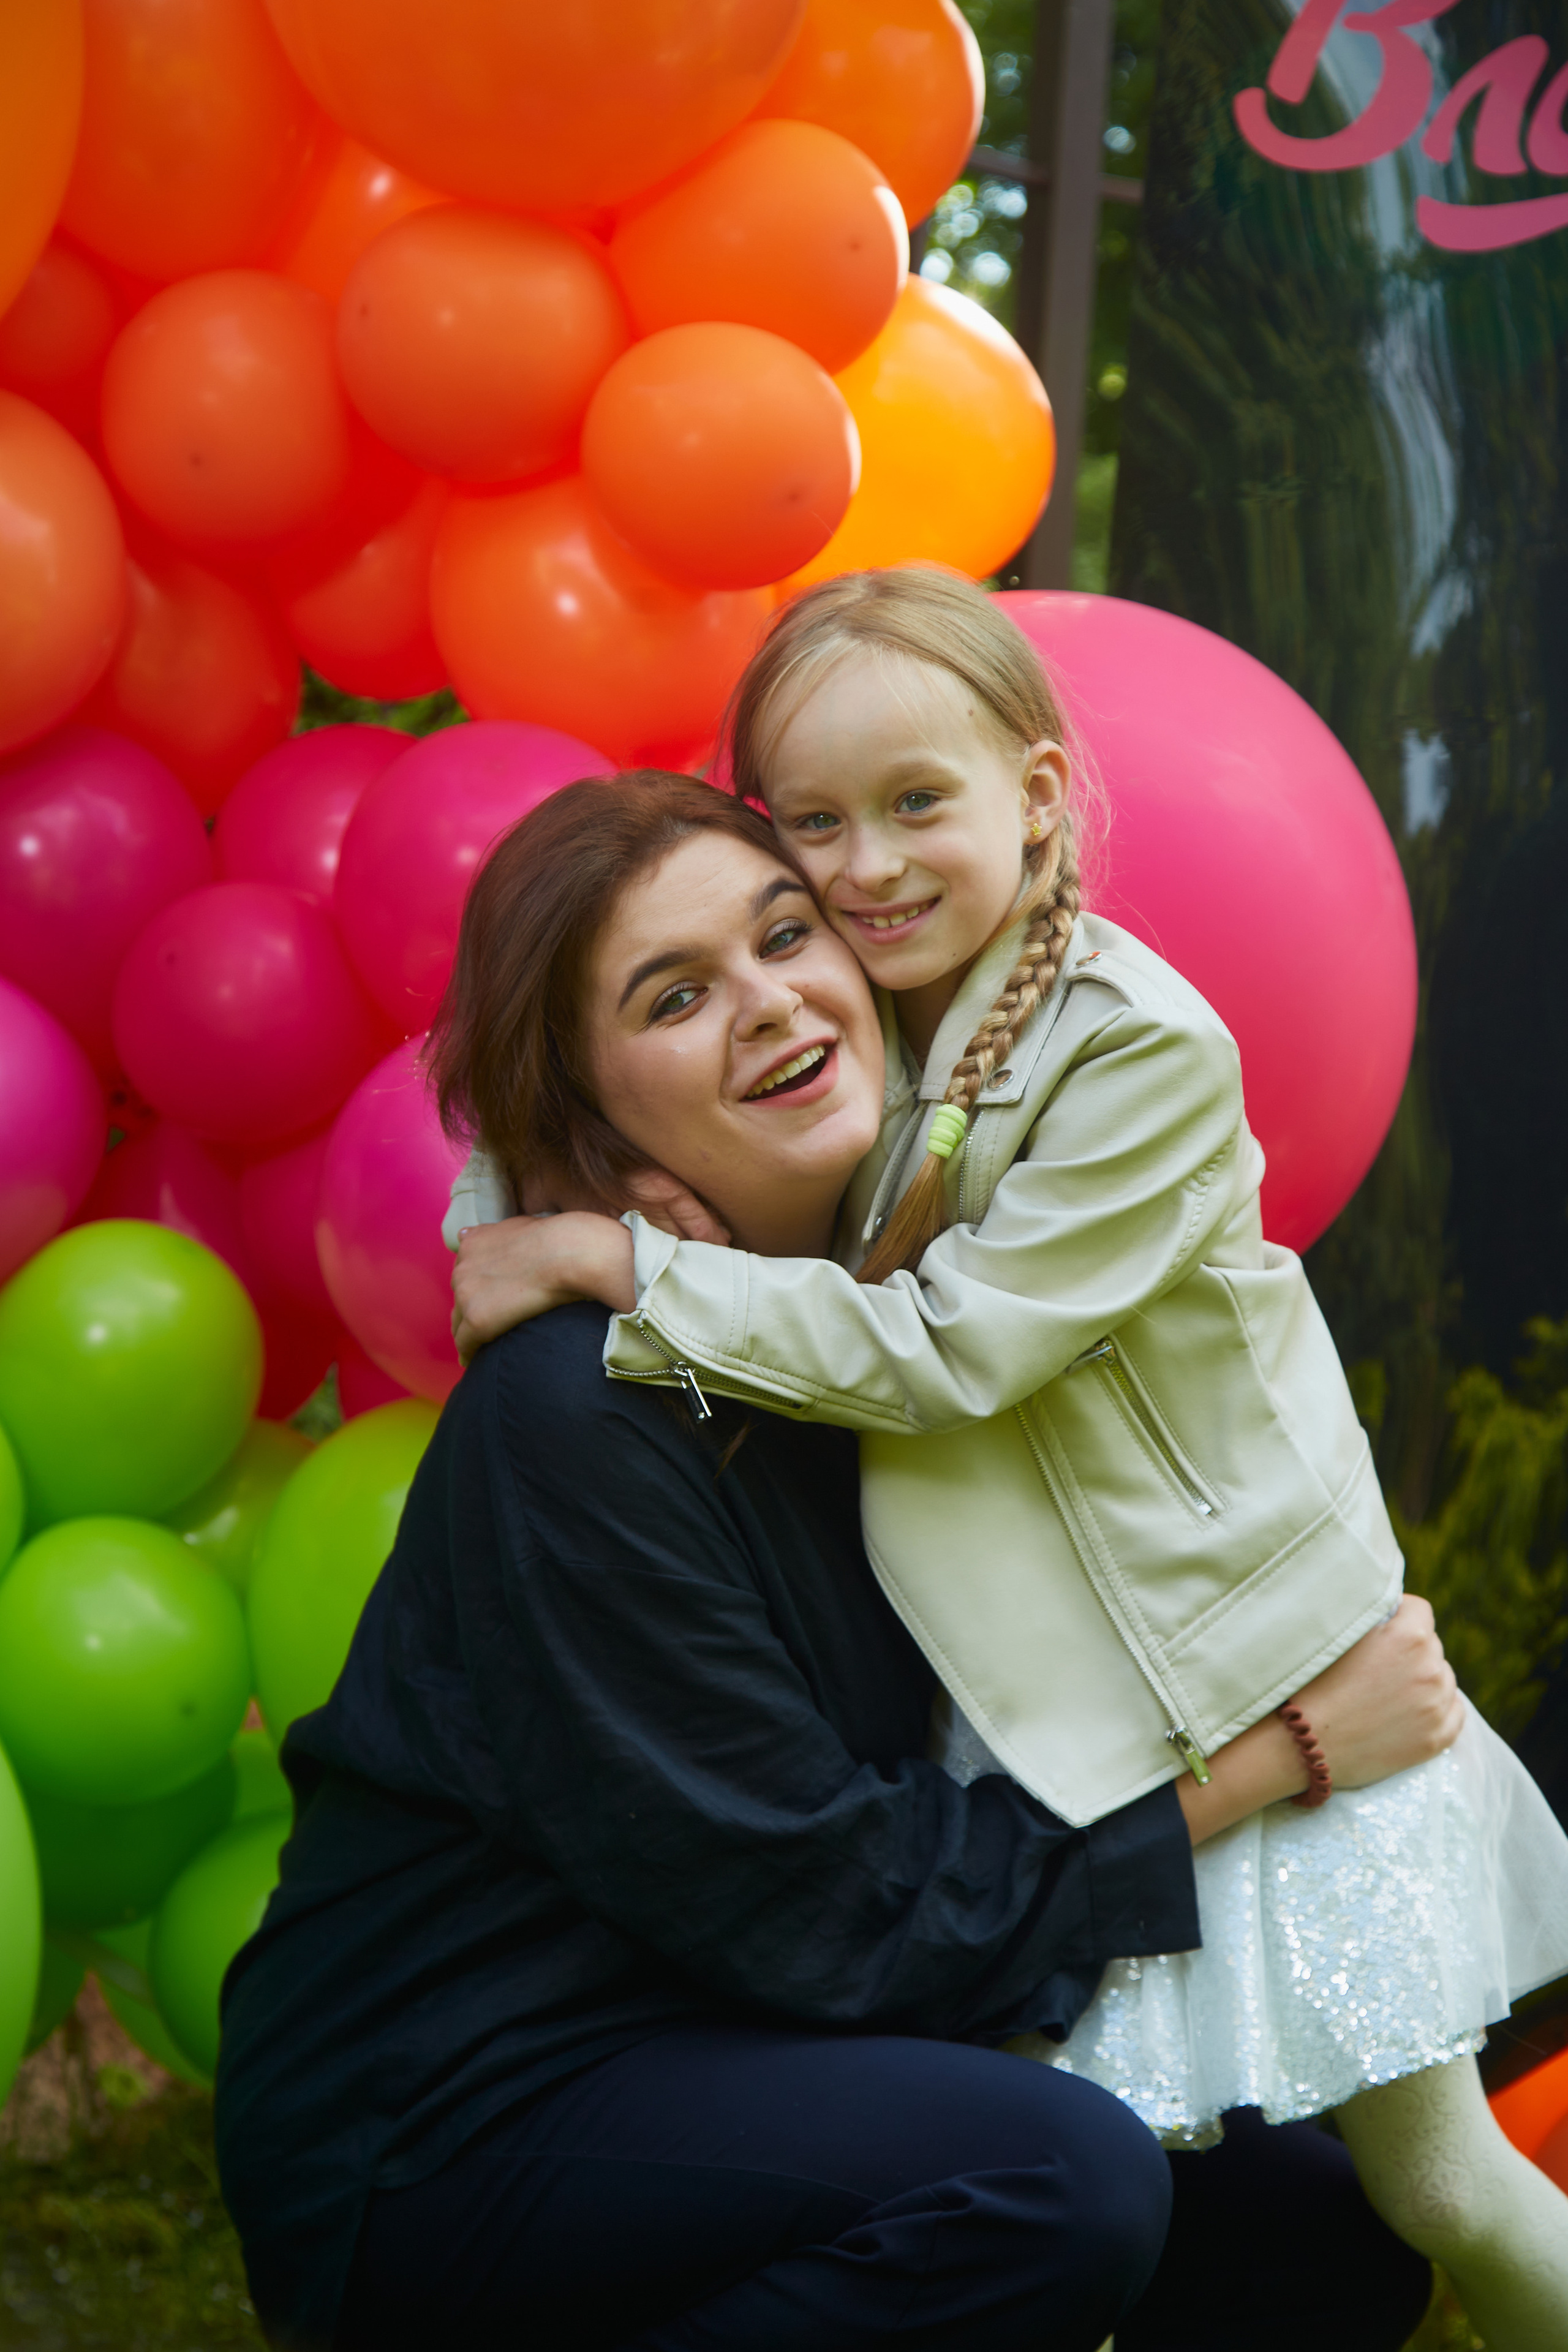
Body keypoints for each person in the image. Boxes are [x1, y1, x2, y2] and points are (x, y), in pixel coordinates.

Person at [449, 570, 1568, 2350]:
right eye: (818, 825)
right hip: (1051, 1722)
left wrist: (633, 1266)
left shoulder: (1136, 1053)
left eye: (918, 806)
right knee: (1072, 2183)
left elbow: (954, 1352)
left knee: (1430, 2183)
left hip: (1255, 1681)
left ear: (1037, 796)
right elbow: (561, 1089)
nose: (871, 869)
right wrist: (560, 1207)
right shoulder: (874, 1004)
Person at [216, 775, 1452, 2352]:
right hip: (459, 2104)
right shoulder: (572, 1411)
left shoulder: (920, 1331)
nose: (766, 1002)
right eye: (674, 997)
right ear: (595, 1126)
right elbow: (831, 1914)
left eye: (784, 934)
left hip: (741, 2027)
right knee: (1042, 2186)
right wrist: (1276, 1756)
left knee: (1309, 2231)